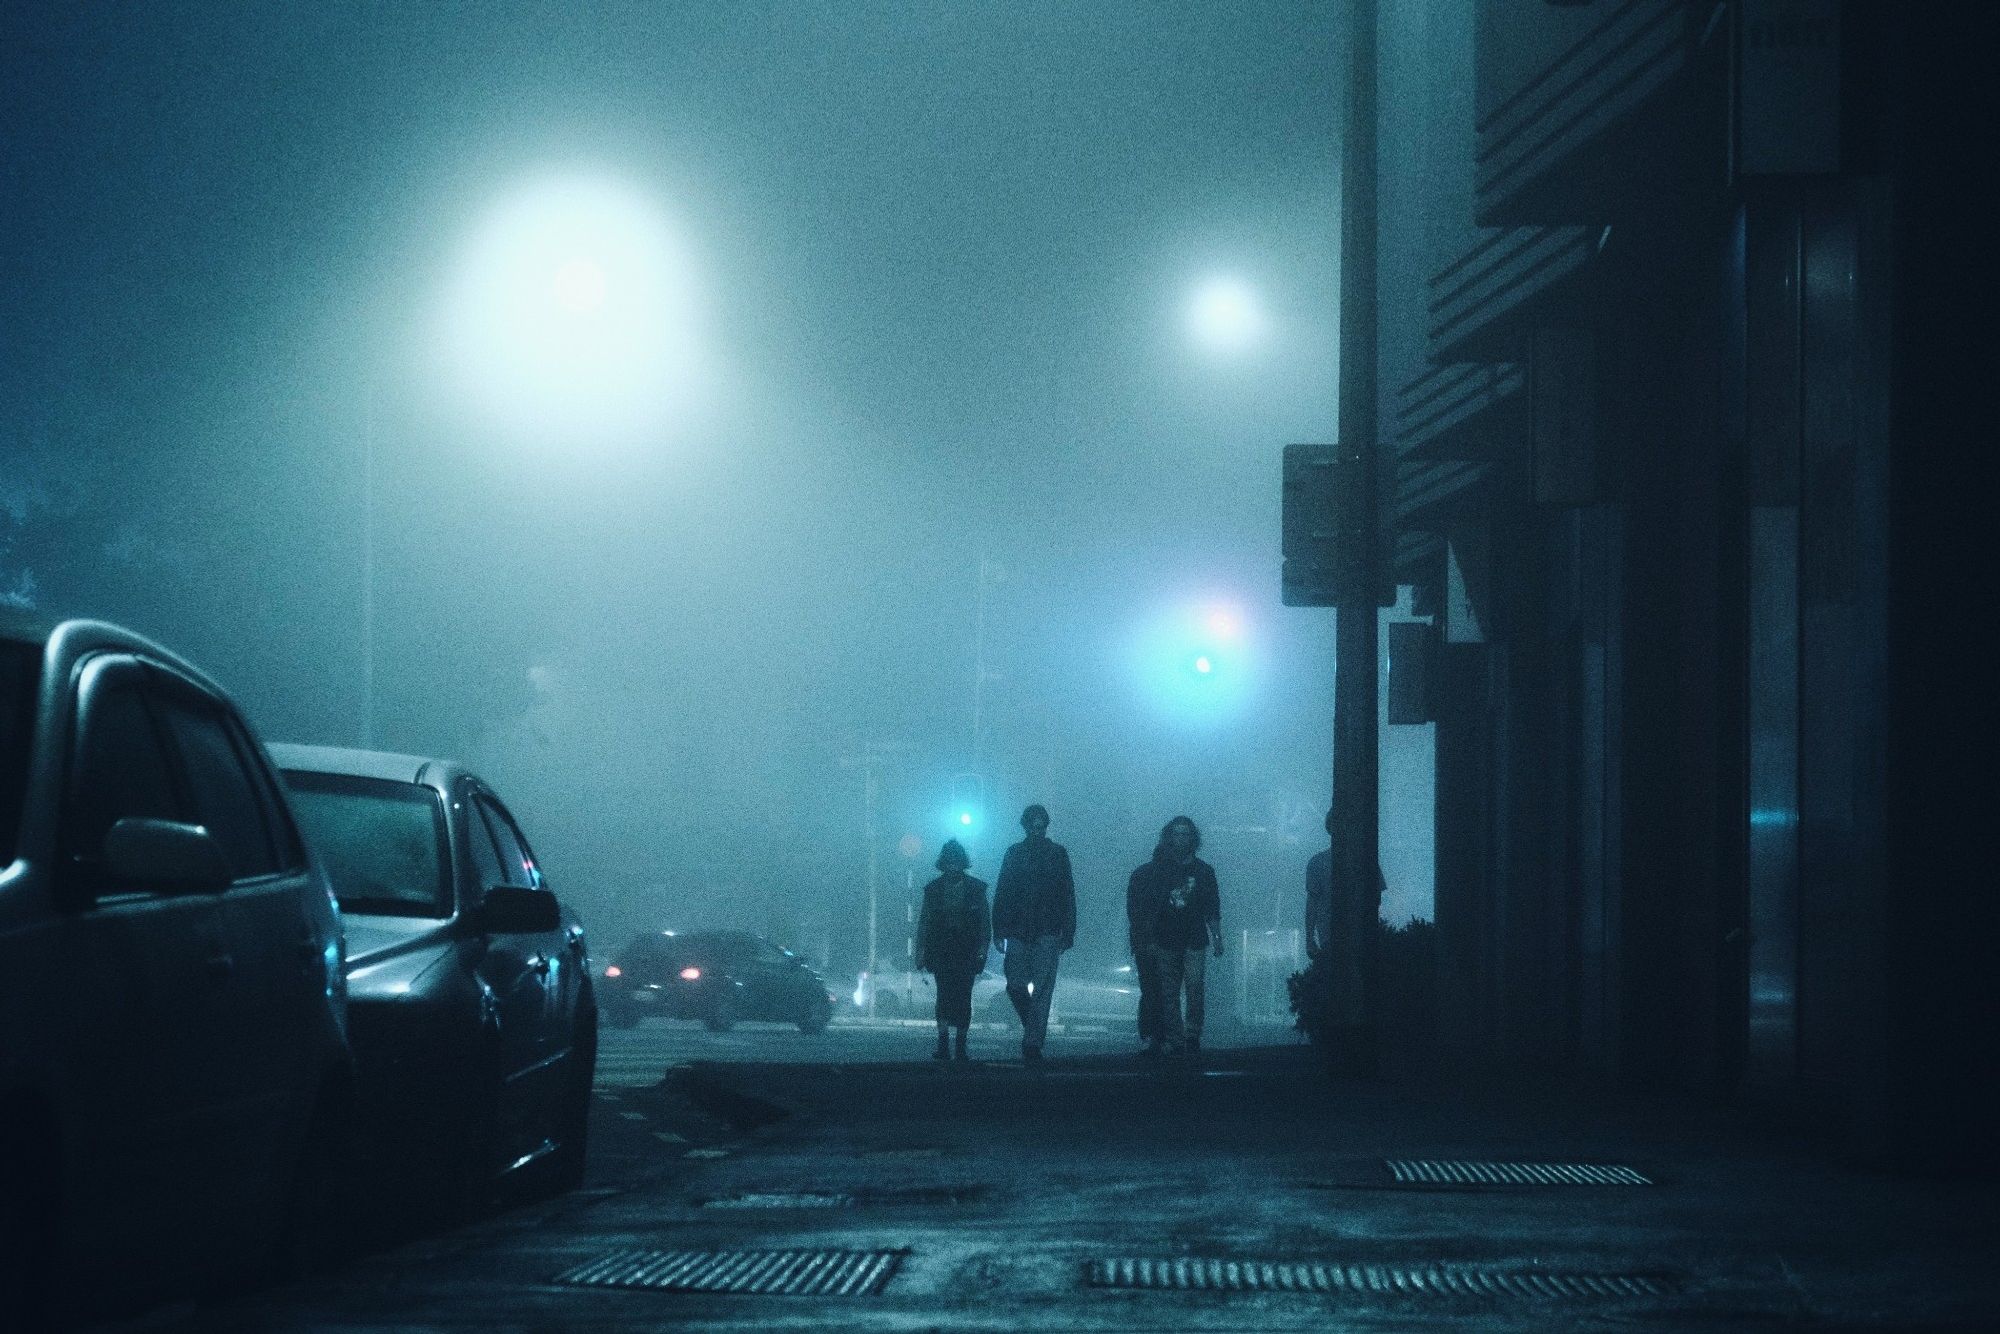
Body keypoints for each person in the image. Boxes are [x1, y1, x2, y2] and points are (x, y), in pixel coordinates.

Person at [1129, 815, 1221, 1057]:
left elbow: (1212, 906)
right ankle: (1176, 1038)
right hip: (1166, 938)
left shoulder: (1204, 871)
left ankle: (1191, 1035)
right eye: (1177, 834)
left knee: (1194, 987)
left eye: (1185, 834)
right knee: (1168, 992)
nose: (1181, 838)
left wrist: (1217, 936)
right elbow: (1149, 905)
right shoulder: (1159, 871)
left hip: (1194, 938)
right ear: (1170, 837)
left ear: (1193, 838)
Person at [1306, 805, 1388, 1073]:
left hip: (1340, 934)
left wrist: (1309, 936)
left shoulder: (1325, 861)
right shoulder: (1357, 860)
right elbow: (1375, 899)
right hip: (1334, 934)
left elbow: (1374, 899)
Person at [990, 803, 1075, 1064]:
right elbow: (1003, 891)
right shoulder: (1014, 854)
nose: (1038, 831)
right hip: (1019, 929)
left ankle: (1032, 1042)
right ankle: (1033, 1029)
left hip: (1047, 928)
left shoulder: (1058, 854)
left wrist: (1068, 930)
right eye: (1034, 826)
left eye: (1042, 826)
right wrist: (998, 929)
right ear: (1026, 827)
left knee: (1043, 988)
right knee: (1015, 985)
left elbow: (1067, 893)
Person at [915, 838, 989, 1062]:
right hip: (941, 950)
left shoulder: (977, 890)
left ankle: (960, 1045)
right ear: (943, 864)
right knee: (944, 996)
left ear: (962, 863)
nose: (953, 866)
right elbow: (924, 922)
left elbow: (985, 923)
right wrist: (921, 950)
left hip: (967, 950)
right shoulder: (933, 890)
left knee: (964, 997)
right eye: (949, 862)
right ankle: (944, 1043)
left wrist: (982, 950)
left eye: (956, 862)